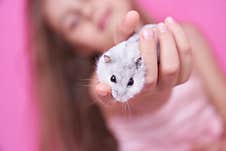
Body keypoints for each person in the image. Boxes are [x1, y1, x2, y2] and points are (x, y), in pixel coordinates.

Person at [28, 0, 226, 151]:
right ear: (80, 47)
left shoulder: (187, 36)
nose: (88, 11)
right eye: (74, 22)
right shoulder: (101, 84)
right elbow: (143, 97)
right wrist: (147, 84)